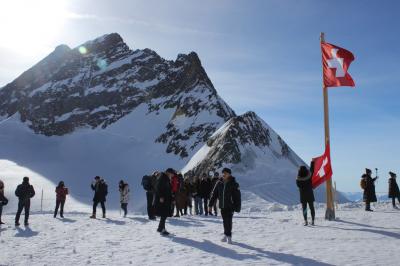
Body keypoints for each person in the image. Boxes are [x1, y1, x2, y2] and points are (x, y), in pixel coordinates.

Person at [209, 168, 241, 244]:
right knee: (224, 221)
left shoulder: (234, 183)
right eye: (223, 173)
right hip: (222, 205)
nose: (224, 174)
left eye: (226, 173)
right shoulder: (219, 182)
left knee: (228, 221)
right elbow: (214, 195)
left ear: (229, 174)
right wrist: (210, 205)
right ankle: (225, 234)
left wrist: (237, 207)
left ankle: (229, 236)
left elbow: (237, 197)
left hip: (230, 206)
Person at [154, 171, 173, 236]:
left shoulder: (165, 178)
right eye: (171, 174)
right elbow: (158, 188)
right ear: (168, 173)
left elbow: (168, 189)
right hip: (163, 200)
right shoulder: (162, 178)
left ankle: (161, 229)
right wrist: (161, 196)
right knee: (164, 214)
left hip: (165, 199)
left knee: (164, 215)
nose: (172, 175)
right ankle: (161, 229)